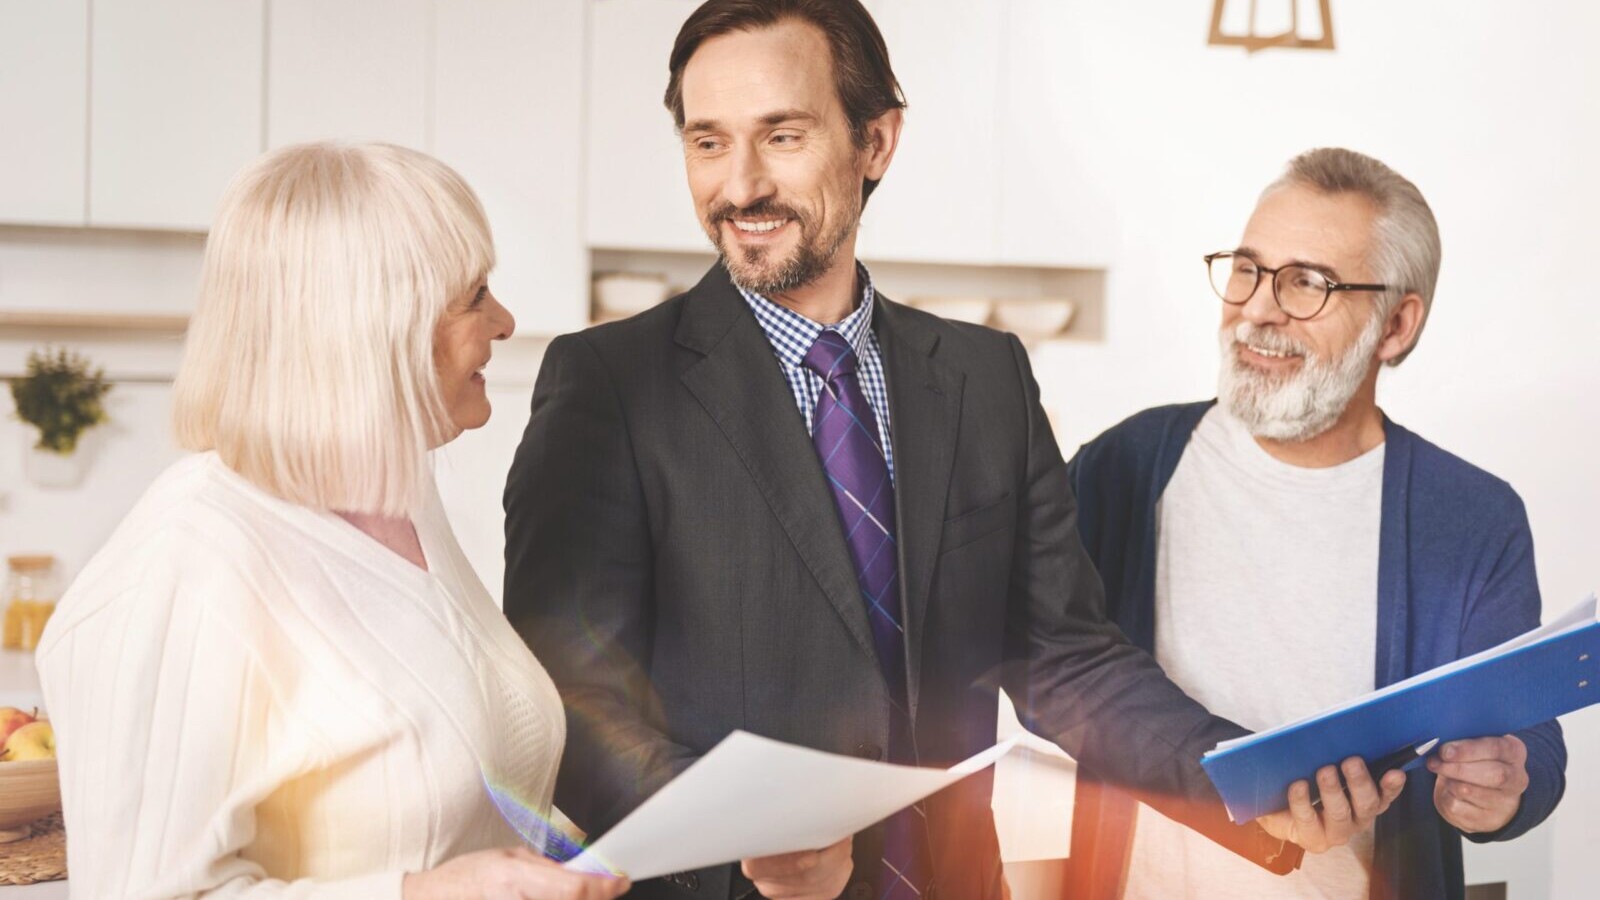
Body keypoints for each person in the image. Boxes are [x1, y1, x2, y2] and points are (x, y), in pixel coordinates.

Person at [503, 3, 1390, 897]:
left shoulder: (984, 377)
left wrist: (1244, 777)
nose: (739, 187)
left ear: (875, 142)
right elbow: (570, 705)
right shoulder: (609, 388)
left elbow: (1068, 659)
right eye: (707, 143)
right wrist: (745, 840)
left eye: (781, 136)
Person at [35, 143, 629, 900]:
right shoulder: (181, 567)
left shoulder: (400, 501)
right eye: (475, 293)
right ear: (375, 325)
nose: (505, 321)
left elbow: (474, 798)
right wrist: (424, 894)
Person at [1062, 148, 1567, 899]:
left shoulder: (1472, 519)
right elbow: (1056, 672)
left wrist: (1505, 785)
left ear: (1394, 326)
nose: (1257, 309)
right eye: (1247, 268)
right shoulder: (1126, 464)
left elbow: (1531, 744)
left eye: (1308, 283)